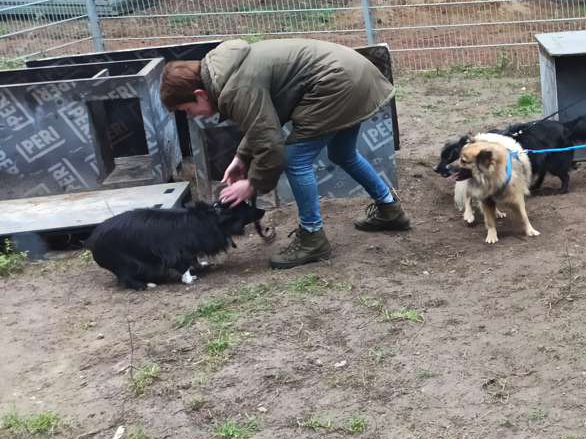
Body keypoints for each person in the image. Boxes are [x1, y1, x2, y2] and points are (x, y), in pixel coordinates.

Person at [160, 38, 410, 269]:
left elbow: (271, 144)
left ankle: (312, 237)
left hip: (338, 83)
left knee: (295, 159)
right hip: (354, 73)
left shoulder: (236, 88)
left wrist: (252, 184)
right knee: (342, 153)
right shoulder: (225, 70)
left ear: (199, 94)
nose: (191, 115)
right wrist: (242, 157)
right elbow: (264, 121)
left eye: (187, 109)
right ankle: (390, 209)